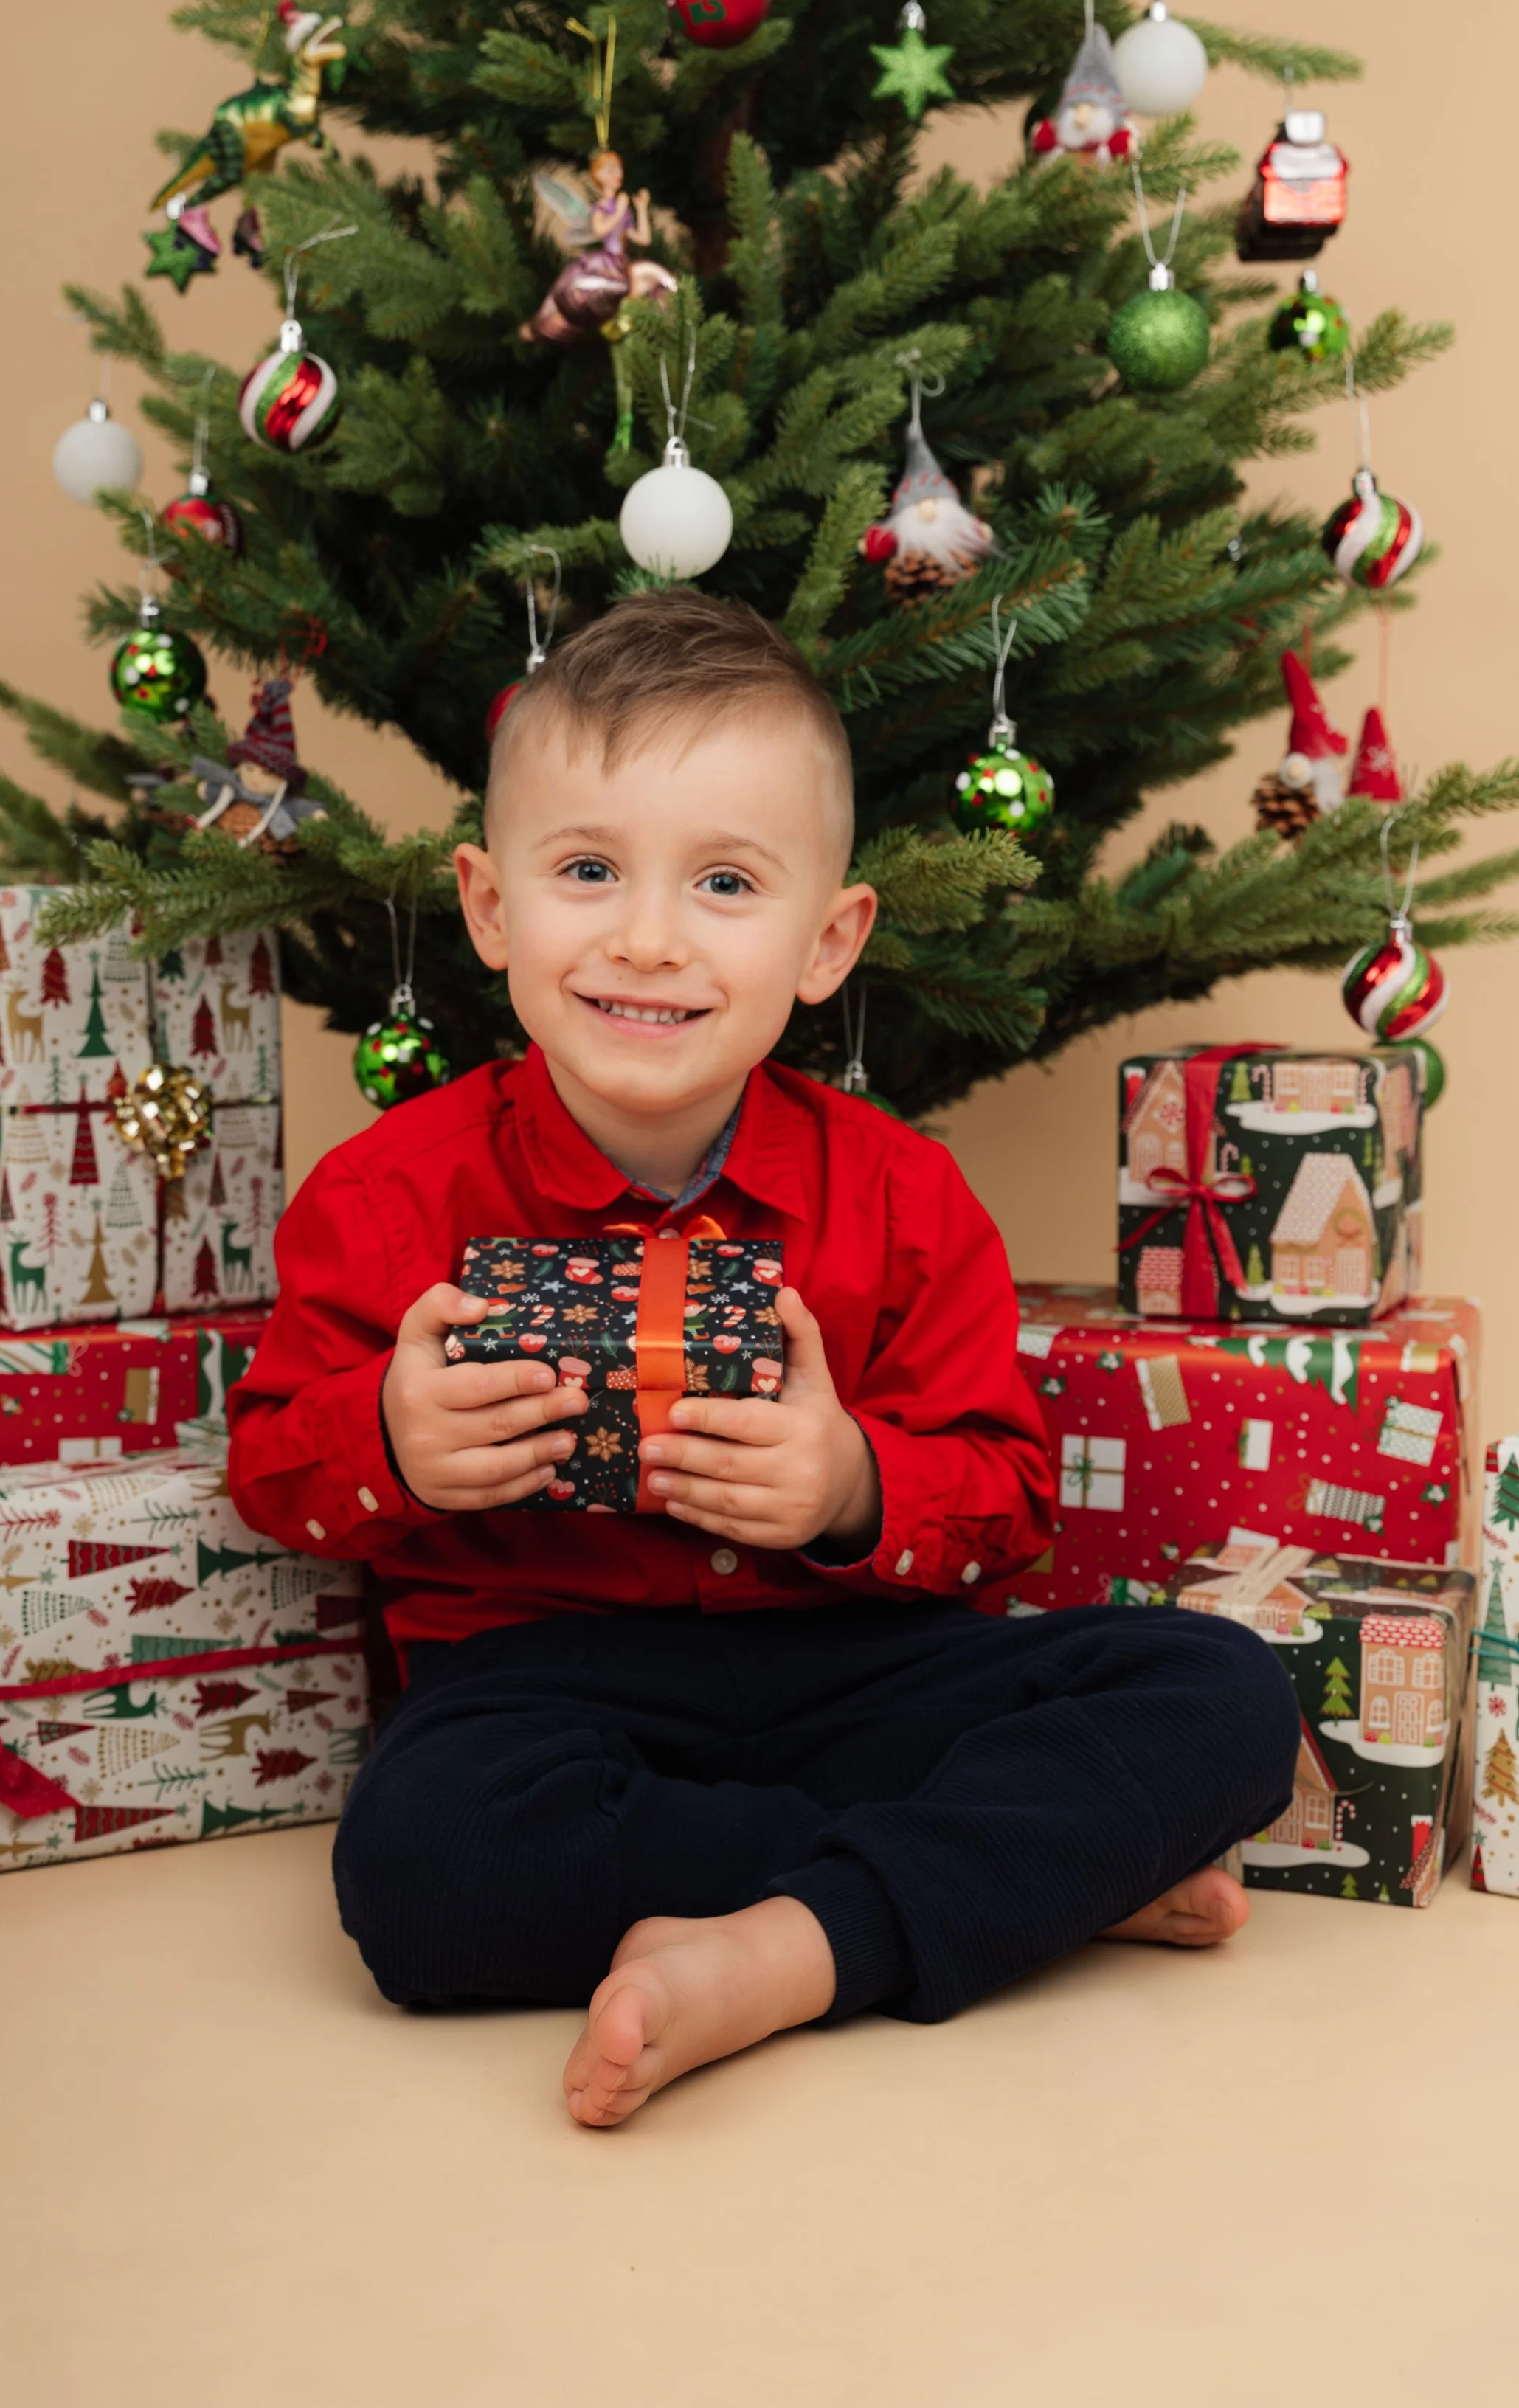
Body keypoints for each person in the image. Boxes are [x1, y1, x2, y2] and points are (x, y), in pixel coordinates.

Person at [228, 592, 1299, 2128]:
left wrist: (851, 1484)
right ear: (485, 906)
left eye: (723, 881)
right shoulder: (386, 1196)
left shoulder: (899, 1194)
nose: (646, 937)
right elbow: (269, 1464)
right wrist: (392, 1440)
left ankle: (783, 1952)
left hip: (855, 1663)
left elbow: (1006, 1495)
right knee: (422, 1868)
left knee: (1221, 1696)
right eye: (585, 869)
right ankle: (996, 1875)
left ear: (825, 938)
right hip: (542, 1686)